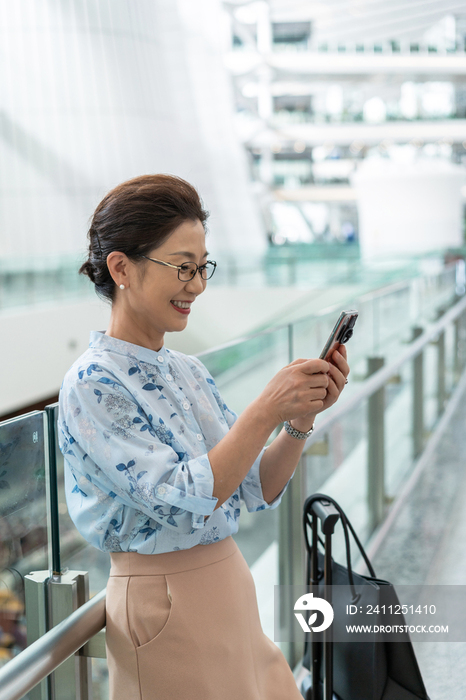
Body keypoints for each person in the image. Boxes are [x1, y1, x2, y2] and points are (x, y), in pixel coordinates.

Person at [58, 174, 350, 700]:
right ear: (121, 267)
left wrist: (300, 418)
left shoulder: (188, 370)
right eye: (182, 267)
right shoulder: (92, 382)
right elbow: (182, 499)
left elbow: (254, 487)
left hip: (228, 586)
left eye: (201, 267)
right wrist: (264, 409)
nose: (197, 285)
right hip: (163, 601)